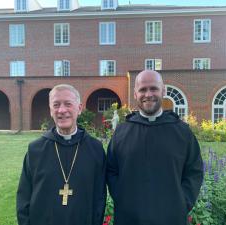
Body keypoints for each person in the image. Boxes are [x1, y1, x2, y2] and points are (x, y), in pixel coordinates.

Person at [106, 70, 203, 225]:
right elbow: (111, 170)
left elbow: (194, 171)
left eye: (154, 88)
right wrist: (121, 198)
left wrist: (182, 202)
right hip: (129, 217)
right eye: (143, 89)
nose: (148, 94)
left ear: (163, 91)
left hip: (171, 217)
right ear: (135, 94)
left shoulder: (182, 132)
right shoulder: (121, 132)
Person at [17, 84, 106, 225]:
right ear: (51, 110)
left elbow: (99, 197)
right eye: (56, 104)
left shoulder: (95, 149)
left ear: (79, 108)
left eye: (68, 104)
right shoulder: (35, 150)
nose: (62, 110)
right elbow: (23, 197)